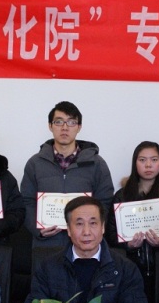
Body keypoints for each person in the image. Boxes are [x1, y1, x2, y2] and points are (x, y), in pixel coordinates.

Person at [25, 196, 150, 303]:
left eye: (93, 223)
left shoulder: (126, 269)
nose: (86, 232)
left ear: (102, 227)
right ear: (69, 229)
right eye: (79, 224)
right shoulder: (47, 268)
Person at [106, 141, 159, 303]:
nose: (148, 165)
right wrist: (128, 245)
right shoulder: (122, 196)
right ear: (134, 163)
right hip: (131, 266)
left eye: (154, 160)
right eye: (142, 160)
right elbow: (110, 234)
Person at [21, 101, 114, 247]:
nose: (65, 127)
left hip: (85, 243)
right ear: (50, 126)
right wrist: (37, 229)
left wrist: (91, 229)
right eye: (59, 122)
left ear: (79, 127)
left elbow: (105, 201)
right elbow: (27, 201)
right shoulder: (35, 163)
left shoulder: (97, 163)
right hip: (46, 244)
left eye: (71, 122)